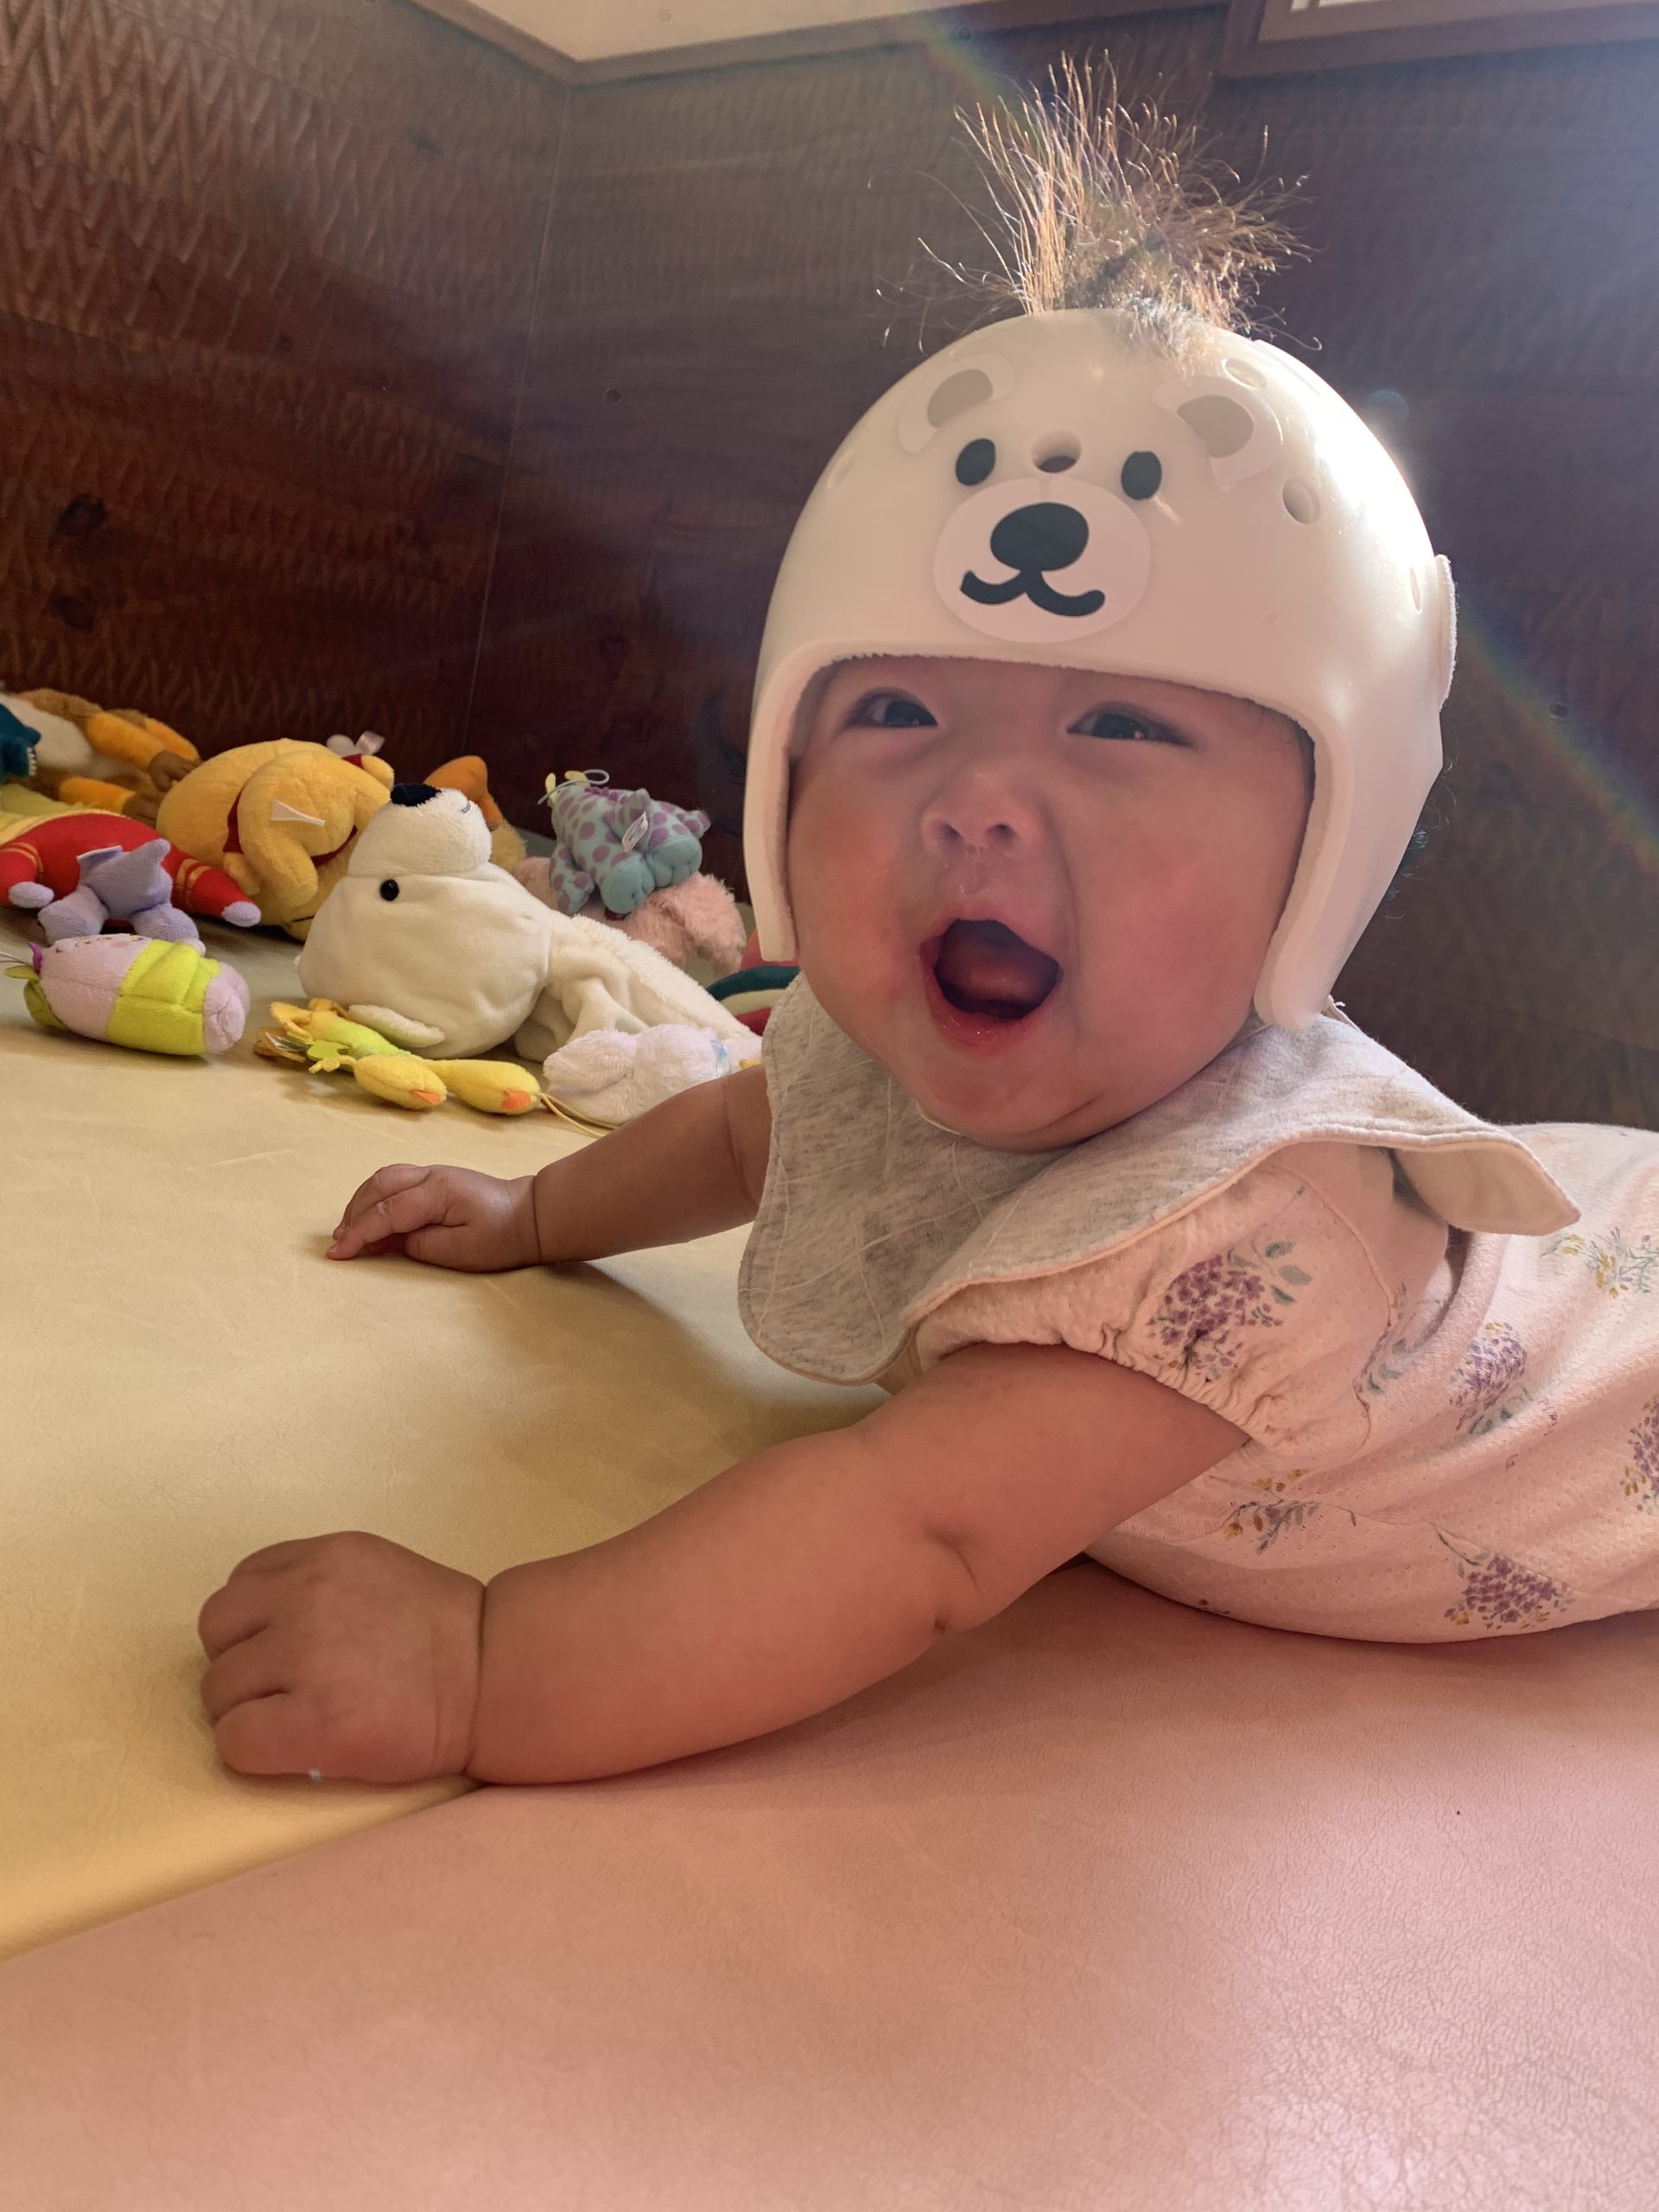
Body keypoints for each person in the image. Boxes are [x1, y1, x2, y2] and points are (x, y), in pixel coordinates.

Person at [196, 73, 1658, 1788]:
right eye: (896, 710)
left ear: (1328, 848)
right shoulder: (892, 1031)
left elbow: (918, 1535)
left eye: (1120, 727)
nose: (976, 802)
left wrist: (487, 1660)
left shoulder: (1240, 1242)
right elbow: (754, 1126)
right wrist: (536, 1215)